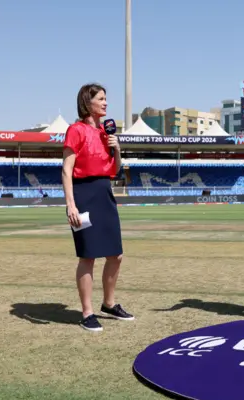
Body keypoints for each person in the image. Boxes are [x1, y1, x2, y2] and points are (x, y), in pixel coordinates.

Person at [62, 83, 134, 332]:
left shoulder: (106, 132)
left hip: (105, 193)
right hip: (83, 195)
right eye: (101, 99)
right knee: (88, 255)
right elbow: (66, 170)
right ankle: (87, 312)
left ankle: (109, 304)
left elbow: (114, 171)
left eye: (106, 98)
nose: (105, 103)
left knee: (116, 254)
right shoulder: (75, 130)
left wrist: (117, 148)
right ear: (87, 102)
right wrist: (70, 204)